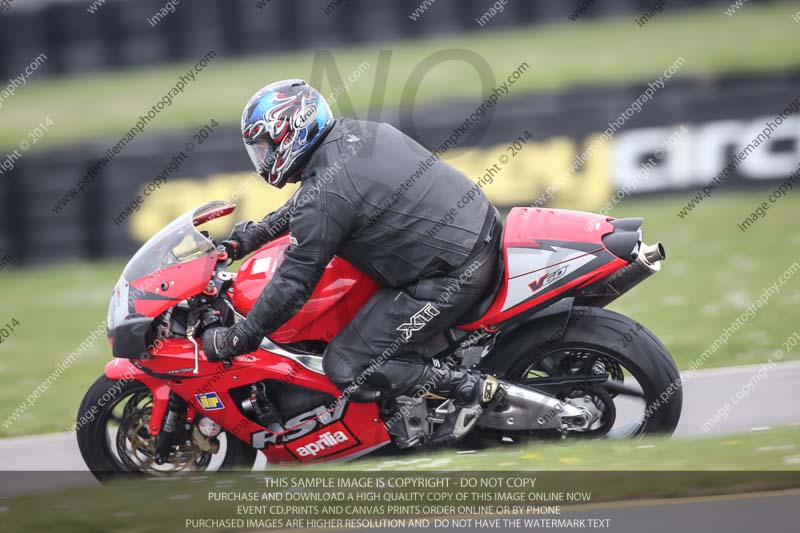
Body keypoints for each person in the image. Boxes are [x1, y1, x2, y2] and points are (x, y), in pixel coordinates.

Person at [202, 79, 502, 446]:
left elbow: (294, 282)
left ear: (293, 133)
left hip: (453, 271)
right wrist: (253, 236)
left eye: (265, 148)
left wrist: (241, 337)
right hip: (475, 230)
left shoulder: (326, 194)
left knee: (348, 365)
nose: (262, 160)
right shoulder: (355, 134)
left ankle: (470, 388)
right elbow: (314, 201)